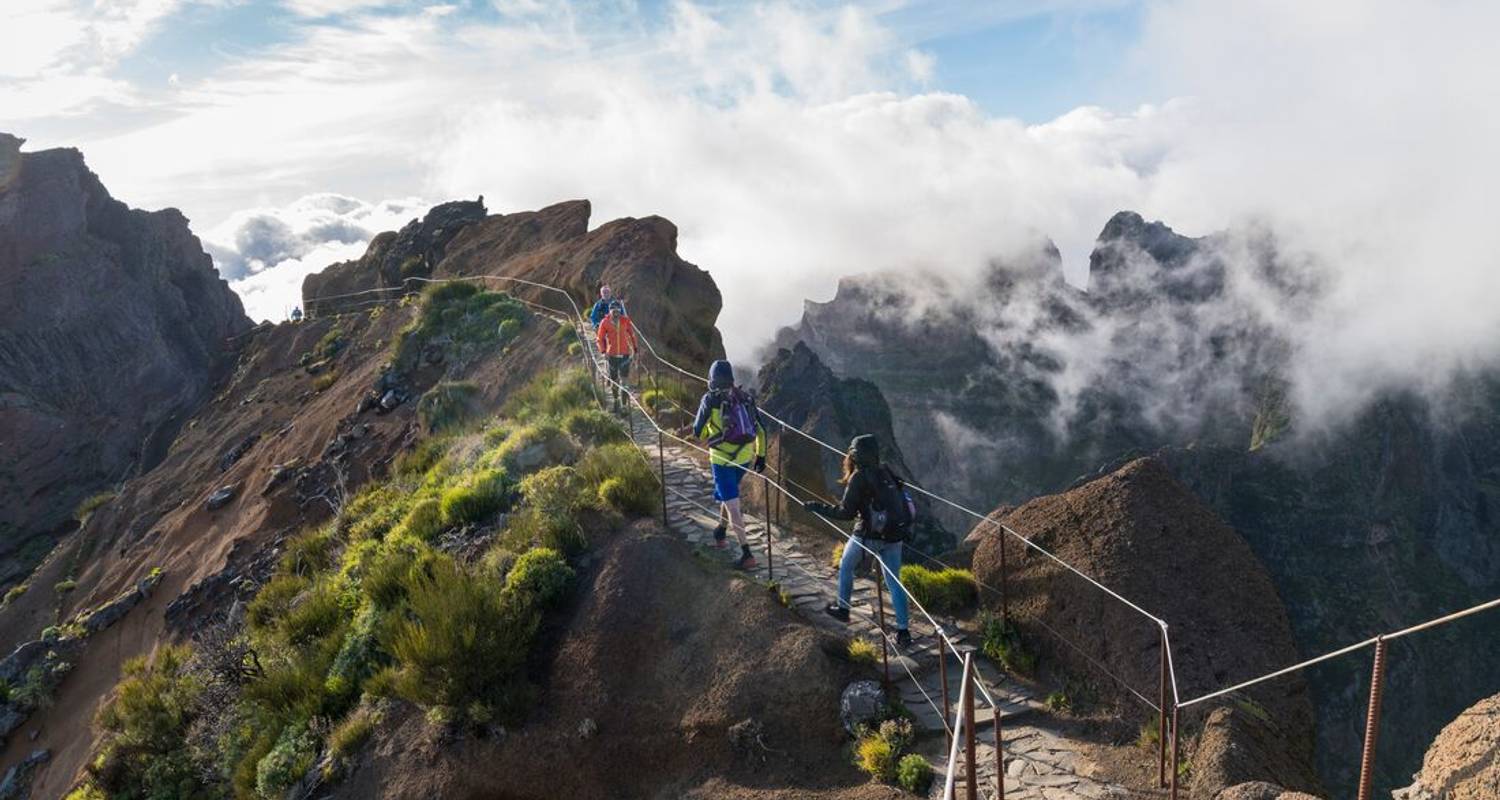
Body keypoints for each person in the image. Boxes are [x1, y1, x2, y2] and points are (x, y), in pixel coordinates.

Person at [803, 435, 914, 648]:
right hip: (894, 535)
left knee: (846, 566)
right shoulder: (886, 471)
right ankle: (903, 632)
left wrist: (816, 507)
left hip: (868, 535)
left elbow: (846, 513)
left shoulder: (859, 477)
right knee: (894, 582)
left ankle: (843, 609)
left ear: (855, 455)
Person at [692, 360, 767, 570]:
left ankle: (747, 553)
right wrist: (761, 456)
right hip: (745, 458)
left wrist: (711, 433)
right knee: (729, 495)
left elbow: (697, 431)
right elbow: (761, 430)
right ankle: (721, 531)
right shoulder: (745, 398)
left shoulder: (709, 399)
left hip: (721, 459)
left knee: (733, 505)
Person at [595, 300, 637, 413]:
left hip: (625, 355)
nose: (616, 313)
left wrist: (635, 348)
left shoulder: (626, 321)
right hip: (611, 355)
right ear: (610, 311)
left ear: (620, 311)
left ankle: (624, 406)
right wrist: (603, 352)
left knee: (624, 382)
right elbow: (600, 338)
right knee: (614, 381)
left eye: (618, 311)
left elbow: (632, 334)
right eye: (614, 311)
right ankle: (616, 401)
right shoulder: (605, 322)